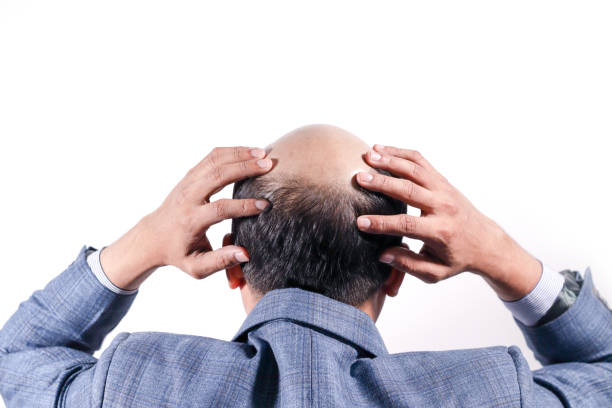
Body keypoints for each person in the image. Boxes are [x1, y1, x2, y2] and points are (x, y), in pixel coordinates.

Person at [0, 124, 610, 407]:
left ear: (233, 268)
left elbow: (17, 360)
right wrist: (500, 254)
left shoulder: (134, 386)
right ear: (395, 273)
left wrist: (141, 243)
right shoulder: (491, 395)